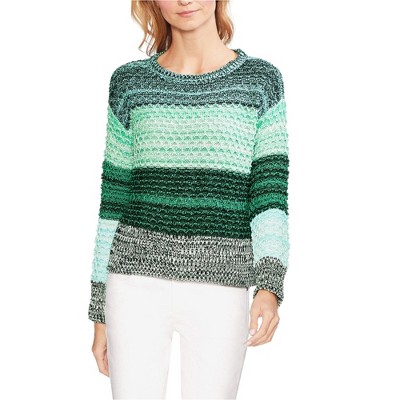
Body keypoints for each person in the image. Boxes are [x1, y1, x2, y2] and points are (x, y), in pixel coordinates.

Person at [89, 0, 290, 398]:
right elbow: (112, 200)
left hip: (222, 282)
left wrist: (269, 287)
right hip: (133, 283)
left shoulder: (260, 81)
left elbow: (269, 195)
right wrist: (98, 311)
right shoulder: (129, 83)